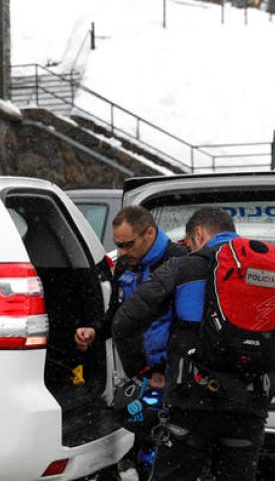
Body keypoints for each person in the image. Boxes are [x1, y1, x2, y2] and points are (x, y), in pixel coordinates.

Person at [111, 206, 275, 481]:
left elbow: (124, 322)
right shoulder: (270, 272)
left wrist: (147, 372)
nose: (190, 248)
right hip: (249, 401)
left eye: (190, 243)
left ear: (198, 233)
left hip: (191, 400)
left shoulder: (182, 266)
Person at [74, 205, 187, 480]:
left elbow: (188, 327)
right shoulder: (125, 264)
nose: (122, 252)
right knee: (143, 438)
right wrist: (94, 331)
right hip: (139, 374)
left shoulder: (181, 262)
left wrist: (168, 370)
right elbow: (118, 314)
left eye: (127, 245)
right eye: (118, 246)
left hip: (171, 376)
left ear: (149, 234)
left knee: (170, 449)